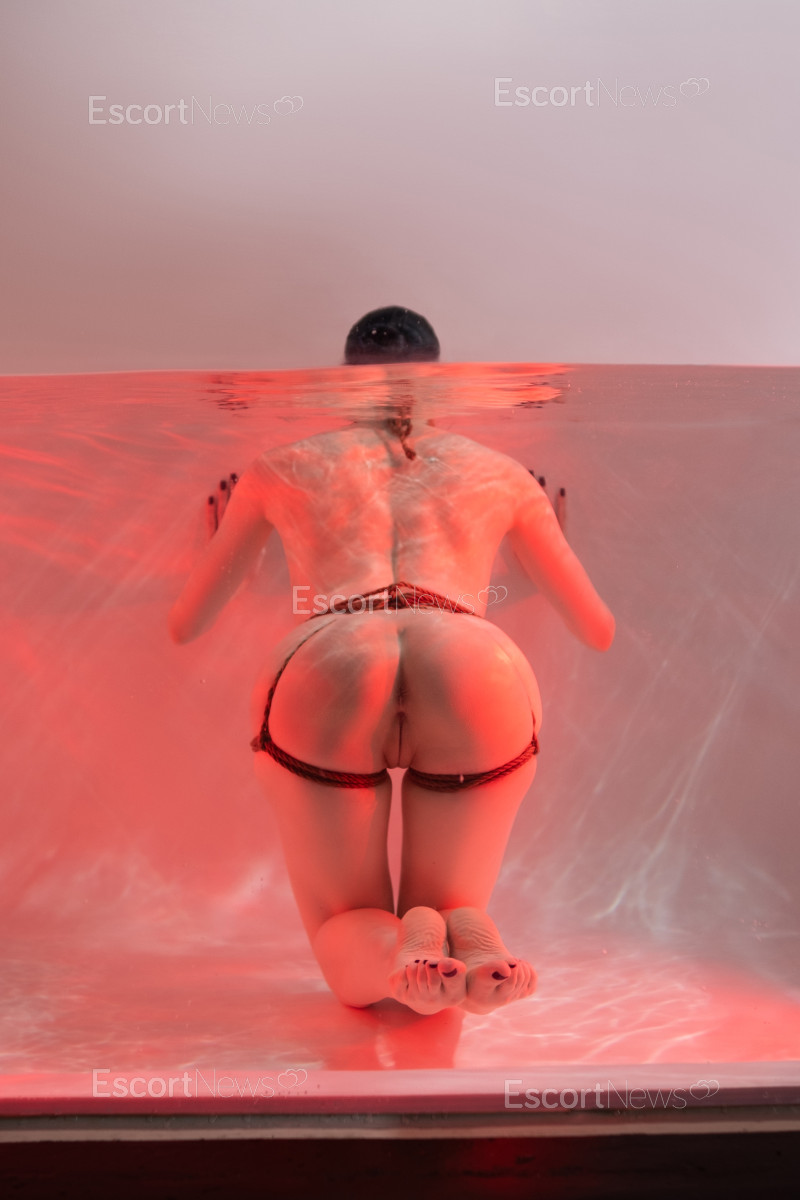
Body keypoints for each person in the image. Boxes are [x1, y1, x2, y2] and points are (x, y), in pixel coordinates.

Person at [169, 306, 614, 1016]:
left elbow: (186, 626)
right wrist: (525, 573)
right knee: (455, 894)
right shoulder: (502, 475)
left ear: (343, 376)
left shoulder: (280, 466)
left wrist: (229, 560)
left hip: (334, 655)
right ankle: (468, 937)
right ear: (439, 375)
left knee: (342, 922)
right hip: (472, 658)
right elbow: (597, 630)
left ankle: (399, 961)